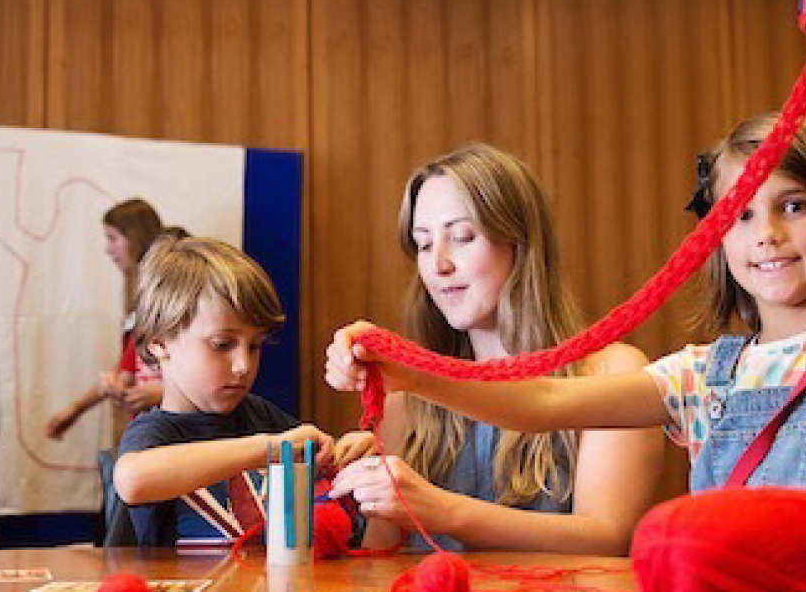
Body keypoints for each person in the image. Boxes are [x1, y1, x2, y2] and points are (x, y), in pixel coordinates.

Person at [327, 0, 806, 548]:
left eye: (794, 206)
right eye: (741, 213)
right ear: (716, 238)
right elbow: (541, 405)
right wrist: (407, 371)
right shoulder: (702, 376)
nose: (767, 234)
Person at [324, 144, 662, 555]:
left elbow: (608, 538)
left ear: (520, 245)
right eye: (424, 244)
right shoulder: (407, 397)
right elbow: (381, 556)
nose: (438, 265)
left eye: (462, 237)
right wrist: (351, 490)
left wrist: (444, 510)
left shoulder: (614, 372)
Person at [112, 237, 377, 545]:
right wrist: (266, 450)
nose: (243, 365)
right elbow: (133, 479)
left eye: (254, 347)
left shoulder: (261, 416)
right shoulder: (154, 432)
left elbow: (321, 487)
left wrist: (352, 462)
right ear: (159, 343)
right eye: (222, 345)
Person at [46, 199, 166, 438]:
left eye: (113, 238)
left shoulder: (161, 294)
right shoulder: (136, 295)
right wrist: (77, 408)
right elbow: (127, 366)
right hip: (143, 422)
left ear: (135, 238)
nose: (108, 249)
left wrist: (163, 392)